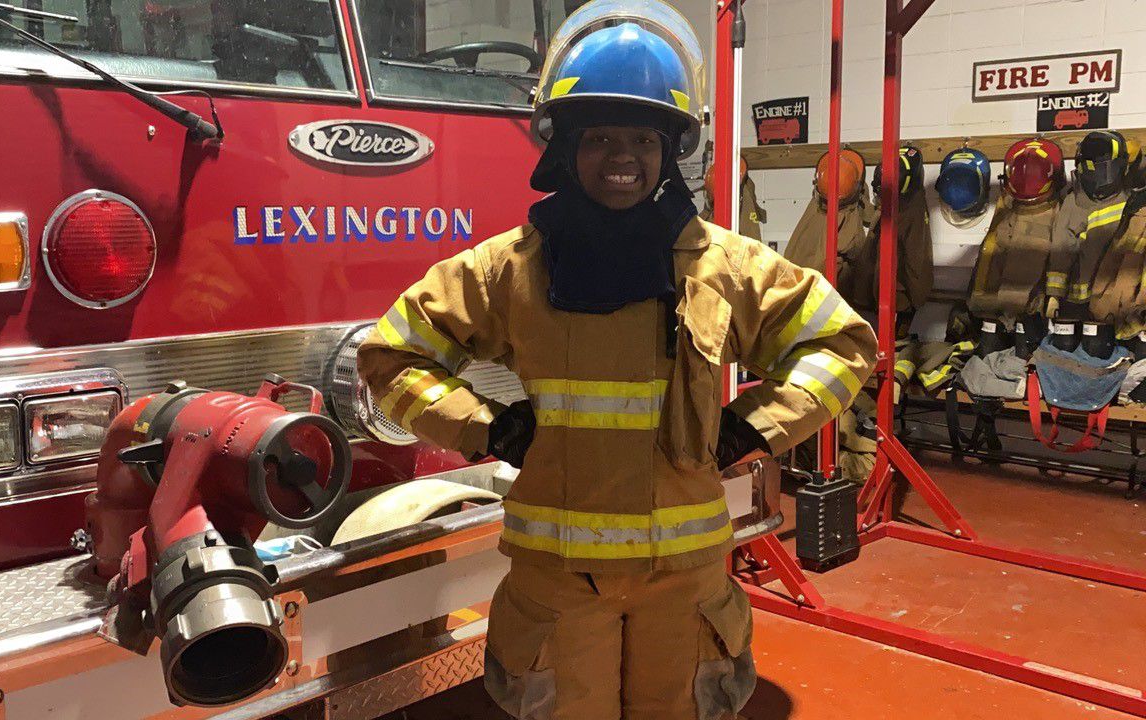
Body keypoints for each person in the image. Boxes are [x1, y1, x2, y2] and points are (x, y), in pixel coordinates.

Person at [357, 2, 877, 717]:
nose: (623, 157)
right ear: (564, 147)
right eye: (599, 136)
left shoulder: (722, 265)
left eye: (643, 137)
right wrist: (486, 428)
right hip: (560, 587)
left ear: (670, 151)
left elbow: (842, 344)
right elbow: (391, 355)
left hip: (684, 584)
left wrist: (752, 427)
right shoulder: (509, 268)